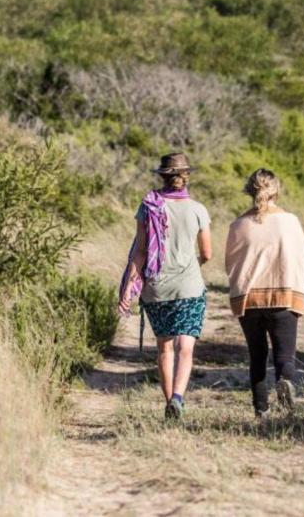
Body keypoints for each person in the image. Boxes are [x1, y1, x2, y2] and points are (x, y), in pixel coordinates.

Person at [118, 152, 212, 420]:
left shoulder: (148, 206)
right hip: (189, 287)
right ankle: (178, 398)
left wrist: (128, 286)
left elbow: (140, 251)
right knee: (186, 347)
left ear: (162, 176)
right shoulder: (198, 210)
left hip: (156, 289)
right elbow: (207, 254)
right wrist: (191, 266)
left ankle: (169, 401)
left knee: (164, 347)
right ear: (186, 176)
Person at [224, 168, 304, 418]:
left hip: (249, 299)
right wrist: (298, 294)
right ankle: (285, 385)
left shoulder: (238, 225)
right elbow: (301, 260)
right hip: (283, 295)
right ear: (276, 190)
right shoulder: (289, 221)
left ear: (249, 190)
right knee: (285, 355)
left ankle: (261, 409)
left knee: (257, 356)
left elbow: (231, 264)